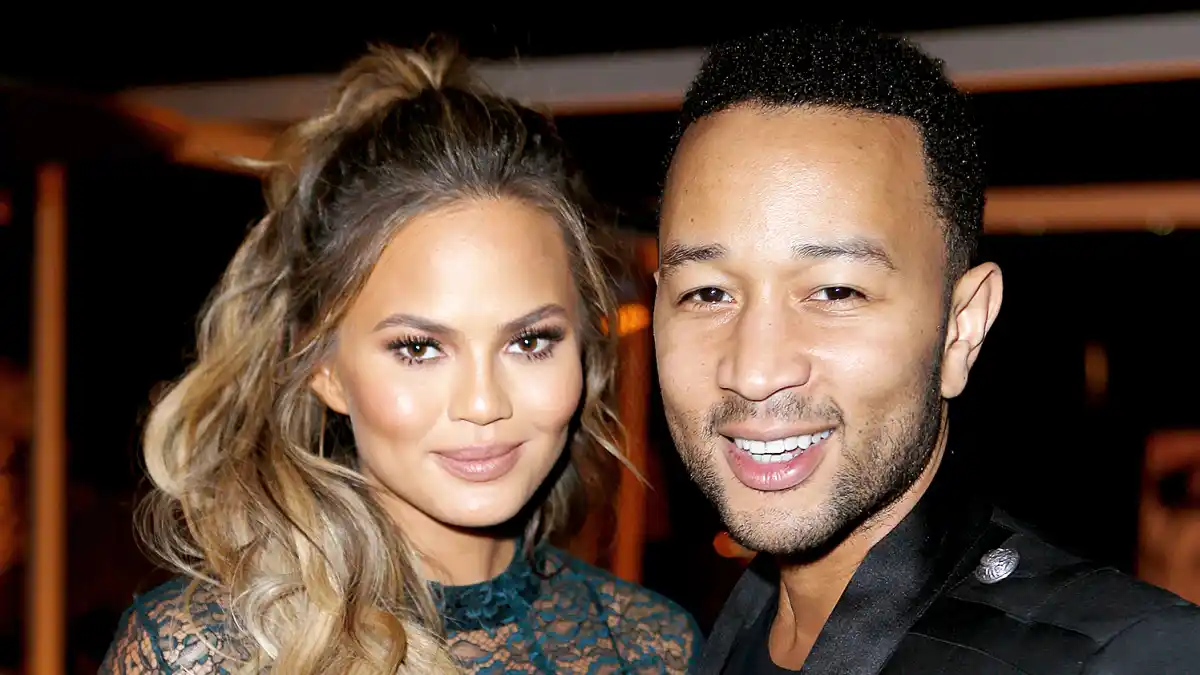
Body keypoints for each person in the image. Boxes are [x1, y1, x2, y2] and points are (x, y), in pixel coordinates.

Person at [100, 42, 699, 674]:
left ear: (585, 346)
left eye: (529, 342)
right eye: (418, 348)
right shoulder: (193, 654)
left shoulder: (654, 647)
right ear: (322, 367)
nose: (482, 403)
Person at [653, 23, 1200, 674]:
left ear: (960, 328)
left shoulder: (1119, 657)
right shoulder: (711, 634)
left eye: (834, 291)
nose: (755, 369)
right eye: (708, 294)